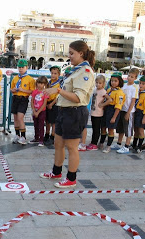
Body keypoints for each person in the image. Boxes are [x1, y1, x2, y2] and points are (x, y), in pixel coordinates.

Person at [39, 40, 95, 188]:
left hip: (75, 112)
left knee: (71, 147)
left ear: (81, 54)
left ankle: (71, 178)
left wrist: (57, 90)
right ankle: (56, 171)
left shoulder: (85, 72)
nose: (69, 56)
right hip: (63, 110)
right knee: (58, 143)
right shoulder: (74, 70)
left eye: (72, 53)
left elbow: (78, 98)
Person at [98, 72, 126, 153]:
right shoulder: (109, 90)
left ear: (120, 82)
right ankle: (102, 142)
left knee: (110, 129)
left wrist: (114, 117)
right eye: (112, 81)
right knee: (103, 127)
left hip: (113, 111)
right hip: (106, 110)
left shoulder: (120, 93)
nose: (113, 82)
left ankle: (108, 146)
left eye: (115, 81)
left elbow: (118, 106)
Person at [10, 59, 35, 145]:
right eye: (19, 67)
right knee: (15, 118)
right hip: (15, 98)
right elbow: (11, 89)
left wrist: (23, 90)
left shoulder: (30, 79)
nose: (20, 69)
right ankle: (17, 135)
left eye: (22, 67)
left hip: (23, 99)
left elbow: (32, 91)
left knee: (20, 117)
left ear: (26, 67)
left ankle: (23, 136)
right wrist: (12, 90)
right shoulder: (15, 78)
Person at [116, 68, 139, 154]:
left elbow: (133, 101)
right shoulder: (124, 86)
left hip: (129, 111)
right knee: (121, 127)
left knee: (128, 129)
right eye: (129, 76)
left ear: (135, 78)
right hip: (122, 109)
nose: (129, 78)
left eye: (132, 77)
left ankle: (127, 145)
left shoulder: (134, 88)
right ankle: (119, 143)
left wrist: (128, 113)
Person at [87, 75, 107, 151]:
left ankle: (95, 143)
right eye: (97, 82)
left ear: (103, 84)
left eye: (100, 83)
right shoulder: (95, 90)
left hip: (98, 113)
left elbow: (109, 99)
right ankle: (93, 142)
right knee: (94, 128)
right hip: (93, 111)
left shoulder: (103, 91)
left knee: (96, 129)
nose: (98, 84)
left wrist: (102, 104)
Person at [132, 75, 145, 153]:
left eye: (143, 84)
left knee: (140, 130)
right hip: (137, 112)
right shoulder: (139, 92)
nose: (141, 85)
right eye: (140, 83)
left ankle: (139, 146)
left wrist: (144, 117)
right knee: (136, 129)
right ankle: (134, 144)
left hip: (142, 113)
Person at [29, 76, 49, 147]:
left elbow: (44, 103)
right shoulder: (34, 92)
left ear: (45, 84)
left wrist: (38, 112)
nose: (40, 85)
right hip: (35, 110)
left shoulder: (45, 92)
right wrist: (34, 110)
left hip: (42, 111)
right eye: (38, 83)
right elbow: (32, 101)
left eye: (42, 83)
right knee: (36, 125)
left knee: (41, 125)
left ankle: (41, 140)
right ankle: (36, 138)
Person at [44, 66, 61, 145]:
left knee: (53, 122)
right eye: (52, 73)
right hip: (47, 103)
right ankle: (46, 134)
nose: (53, 75)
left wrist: (51, 104)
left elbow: (58, 96)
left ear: (59, 74)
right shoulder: (49, 83)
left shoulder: (59, 84)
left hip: (54, 103)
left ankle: (52, 136)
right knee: (47, 120)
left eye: (55, 73)